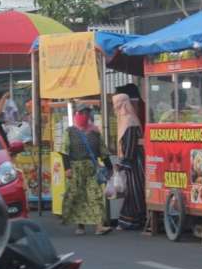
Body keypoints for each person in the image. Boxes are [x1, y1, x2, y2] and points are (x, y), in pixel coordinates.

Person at [61, 104, 113, 236]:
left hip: (91, 168)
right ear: (77, 115)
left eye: (87, 113)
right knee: (79, 197)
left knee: (95, 195)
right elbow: (64, 152)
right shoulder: (69, 132)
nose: (85, 116)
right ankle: (80, 226)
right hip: (75, 168)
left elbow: (103, 151)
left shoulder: (95, 132)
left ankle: (99, 226)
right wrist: (67, 168)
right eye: (82, 113)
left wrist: (109, 167)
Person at [113, 93, 147, 230]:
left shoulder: (129, 121)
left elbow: (130, 144)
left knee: (134, 191)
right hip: (132, 160)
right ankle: (132, 220)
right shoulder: (126, 120)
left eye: (116, 104)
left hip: (134, 162)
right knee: (132, 191)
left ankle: (132, 221)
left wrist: (124, 162)